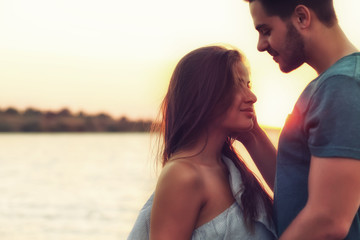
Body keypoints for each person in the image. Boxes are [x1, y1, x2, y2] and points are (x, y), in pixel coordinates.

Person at [127, 46, 277, 239]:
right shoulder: (182, 175)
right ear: (203, 94)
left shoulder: (229, 169)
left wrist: (252, 134)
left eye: (248, 85)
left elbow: (292, 193)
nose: (252, 97)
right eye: (236, 85)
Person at [243, 0, 360, 239]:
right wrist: (251, 133)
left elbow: (329, 219)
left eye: (266, 31)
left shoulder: (342, 86)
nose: (260, 45)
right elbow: (297, 185)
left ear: (301, 17)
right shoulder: (334, 83)